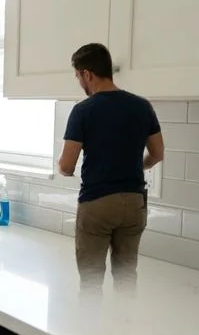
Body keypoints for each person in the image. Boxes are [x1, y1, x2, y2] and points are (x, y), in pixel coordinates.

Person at [58, 43, 164, 285]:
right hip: (135, 203)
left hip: (98, 203)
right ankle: (125, 312)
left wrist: (61, 167)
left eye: (78, 76)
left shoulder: (82, 111)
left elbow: (66, 166)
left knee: (91, 280)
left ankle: (93, 313)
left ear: (87, 74)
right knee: (126, 276)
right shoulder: (142, 106)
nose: (80, 82)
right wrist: (137, 166)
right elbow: (158, 154)